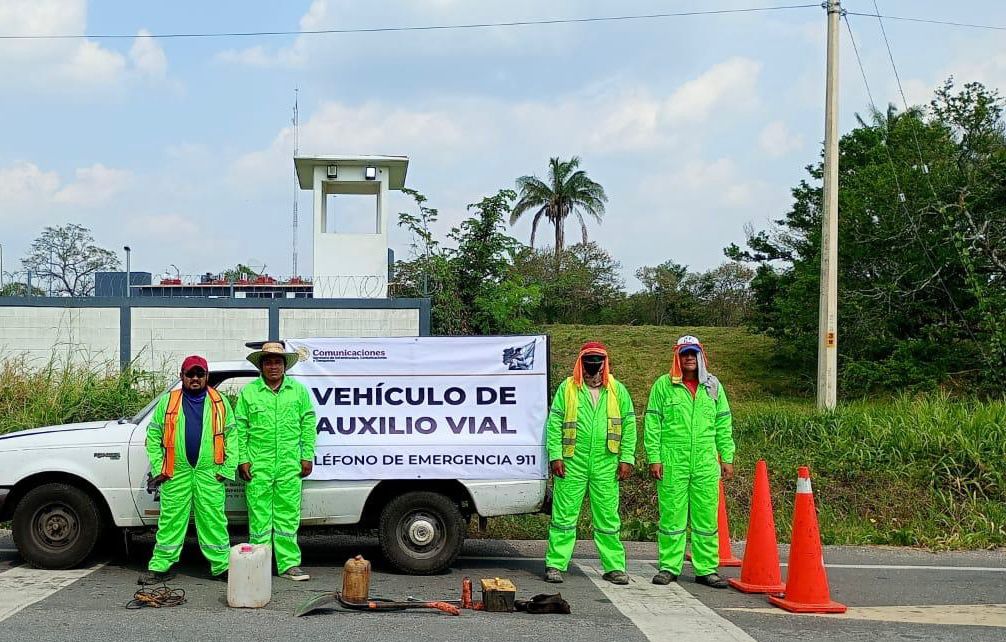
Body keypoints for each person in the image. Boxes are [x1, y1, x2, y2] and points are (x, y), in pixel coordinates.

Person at [644, 335, 735, 588]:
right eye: (684, 354)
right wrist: (654, 457)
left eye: (693, 354)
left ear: (701, 356)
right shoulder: (663, 386)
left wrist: (726, 457)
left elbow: (723, 423)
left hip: (705, 461)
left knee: (706, 518)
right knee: (672, 516)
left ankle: (706, 568)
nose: (689, 358)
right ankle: (668, 567)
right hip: (673, 460)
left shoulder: (713, 386)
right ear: (677, 356)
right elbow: (653, 424)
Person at [543, 341, 637, 585]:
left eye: (598, 359)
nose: (593, 364)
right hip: (572, 461)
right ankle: (556, 564)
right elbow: (554, 425)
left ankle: (614, 567)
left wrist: (627, 458)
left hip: (607, 462)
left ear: (605, 362)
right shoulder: (568, 388)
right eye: (589, 359)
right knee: (563, 516)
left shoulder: (617, 390)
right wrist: (556, 456)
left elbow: (629, 426)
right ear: (580, 361)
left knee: (607, 518)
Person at [139, 355, 236, 585]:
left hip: (209, 473)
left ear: (206, 377)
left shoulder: (220, 402)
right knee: (170, 521)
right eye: (190, 374)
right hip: (176, 472)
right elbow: (153, 437)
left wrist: (227, 468)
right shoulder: (168, 402)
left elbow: (232, 436)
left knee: (213, 521)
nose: (195, 378)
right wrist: (160, 466)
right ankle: (160, 567)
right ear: (181, 376)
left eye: (199, 374)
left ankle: (222, 567)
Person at [235, 341, 316, 581]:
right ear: (261, 365)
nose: (273, 366)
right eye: (268, 362)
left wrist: (306, 455)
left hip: (290, 465)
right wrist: (243, 459)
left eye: (277, 362)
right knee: (259, 517)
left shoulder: (298, 391)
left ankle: (288, 564)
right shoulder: (249, 392)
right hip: (258, 465)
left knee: (287, 516)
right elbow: (240, 428)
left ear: (284, 366)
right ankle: (259, 564)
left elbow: (308, 424)